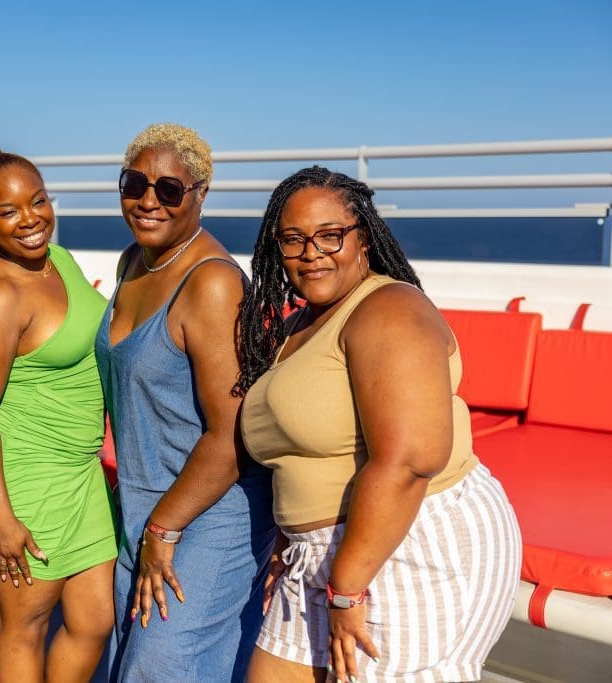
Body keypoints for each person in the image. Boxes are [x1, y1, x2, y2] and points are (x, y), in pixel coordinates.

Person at [237, 166, 522, 683]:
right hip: (319, 556)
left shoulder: (390, 309)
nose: (312, 253)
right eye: (294, 239)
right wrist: (290, 541)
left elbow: (410, 460)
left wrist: (347, 585)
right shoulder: (301, 324)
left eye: (330, 235)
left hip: (407, 542)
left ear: (363, 238)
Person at [95, 123, 276, 682]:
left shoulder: (212, 284)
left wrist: (162, 529)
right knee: (128, 654)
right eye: (134, 184)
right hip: (144, 501)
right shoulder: (133, 261)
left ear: (200, 194)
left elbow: (231, 433)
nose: (149, 201)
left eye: (169, 189)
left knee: (162, 665)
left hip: (208, 510)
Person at [0, 147, 118, 682]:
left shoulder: (60, 259)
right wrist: (2, 518)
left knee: (95, 619)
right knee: (25, 626)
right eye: (9, 211)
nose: (30, 219)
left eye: (38, 201)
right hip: (23, 480)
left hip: (81, 474)